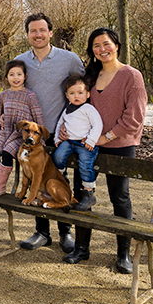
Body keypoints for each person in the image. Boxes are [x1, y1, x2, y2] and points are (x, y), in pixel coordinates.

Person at [62, 28, 147, 273]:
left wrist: (105, 137)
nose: (102, 49)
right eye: (96, 46)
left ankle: (123, 255)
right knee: (81, 194)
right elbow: (76, 107)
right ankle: (81, 247)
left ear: (116, 45)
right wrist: (68, 130)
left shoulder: (131, 76)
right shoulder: (90, 77)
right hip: (87, 146)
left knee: (119, 197)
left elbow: (135, 118)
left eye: (106, 44)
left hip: (120, 146)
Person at [15, 12, 85, 253]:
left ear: (51, 33)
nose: (38, 34)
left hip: (60, 135)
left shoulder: (69, 59)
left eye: (42, 30)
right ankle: (42, 233)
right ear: (27, 35)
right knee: (37, 180)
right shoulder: (20, 62)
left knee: (59, 180)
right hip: (32, 137)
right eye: (33, 31)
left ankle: (66, 232)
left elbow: (83, 91)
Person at [0, 60, 45, 196]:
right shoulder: (3, 95)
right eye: (11, 74)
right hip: (5, 131)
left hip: (19, 136)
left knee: (6, 153)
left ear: (25, 76)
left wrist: (41, 139)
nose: (15, 78)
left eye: (19, 74)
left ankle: (1, 185)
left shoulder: (30, 95)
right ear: (6, 77)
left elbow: (38, 117)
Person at [52, 73, 103, 211]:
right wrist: (57, 139)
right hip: (69, 141)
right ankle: (62, 181)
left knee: (85, 164)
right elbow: (59, 124)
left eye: (80, 93)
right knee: (58, 156)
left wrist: (91, 140)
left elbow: (97, 125)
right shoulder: (67, 109)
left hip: (84, 143)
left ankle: (88, 194)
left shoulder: (88, 109)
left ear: (87, 94)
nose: (76, 96)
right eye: (72, 93)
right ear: (67, 95)